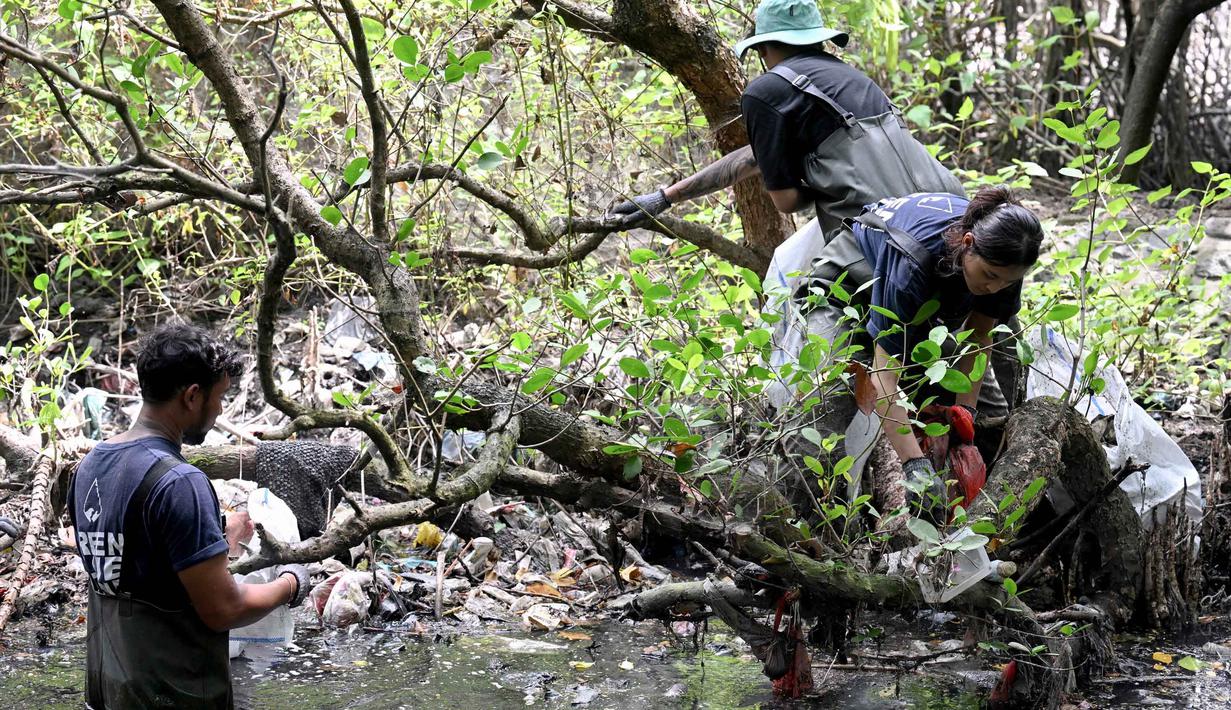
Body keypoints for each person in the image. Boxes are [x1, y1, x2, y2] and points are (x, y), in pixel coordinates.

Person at [69, 323, 310, 709]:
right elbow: (223, 610)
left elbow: (131, 567)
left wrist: (216, 537)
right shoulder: (181, 482)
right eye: (221, 397)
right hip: (172, 694)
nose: (220, 410)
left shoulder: (88, 468)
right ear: (193, 395)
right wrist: (291, 584)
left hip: (110, 692)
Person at [610, 0, 962, 246]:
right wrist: (665, 197)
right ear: (818, 39)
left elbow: (788, 202)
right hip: (952, 210)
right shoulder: (851, 78)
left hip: (883, 227)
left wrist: (816, 177)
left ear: (763, 48)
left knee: (790, 288)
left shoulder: (766, 91)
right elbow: (753, 157)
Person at [786, 186, 1044, 521]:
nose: (994, 288)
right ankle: (797, 519)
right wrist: (914, 464)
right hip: (845, 290)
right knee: (835, 397)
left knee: (967, 411)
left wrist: (964, 414)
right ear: (967, 244)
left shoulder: (1007, 258)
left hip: (918, 305)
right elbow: (882, 379)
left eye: (1006, 282)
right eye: (990, 277)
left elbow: (979, 337)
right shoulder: (915, 261)